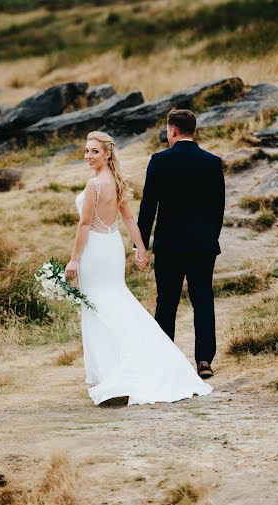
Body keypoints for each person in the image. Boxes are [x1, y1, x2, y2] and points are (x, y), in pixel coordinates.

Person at [65, 130, 212, 406]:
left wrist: (74, 259)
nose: (88, 156)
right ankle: (119, 367)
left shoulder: (94, 185)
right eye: (86, 151)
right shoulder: (117, 182)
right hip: (111, 248)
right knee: (114, 303)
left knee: (100, 308)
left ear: (107, 153)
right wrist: (140, 249)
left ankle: (114, 372)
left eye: (94, 151)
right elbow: (130, 221)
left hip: (96, 250)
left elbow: (84, 225)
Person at [137, 109, 225, 378]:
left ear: (172, 130)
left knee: (166, 302)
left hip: (169, 245)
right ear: (193, 130)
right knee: (203, 300)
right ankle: (204, 361)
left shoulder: (159, 161)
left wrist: (140, 246)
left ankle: (166, 360)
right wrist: (211, 237)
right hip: (202, 245)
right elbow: (218, 208)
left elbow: (148, 206)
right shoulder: (212, 162)